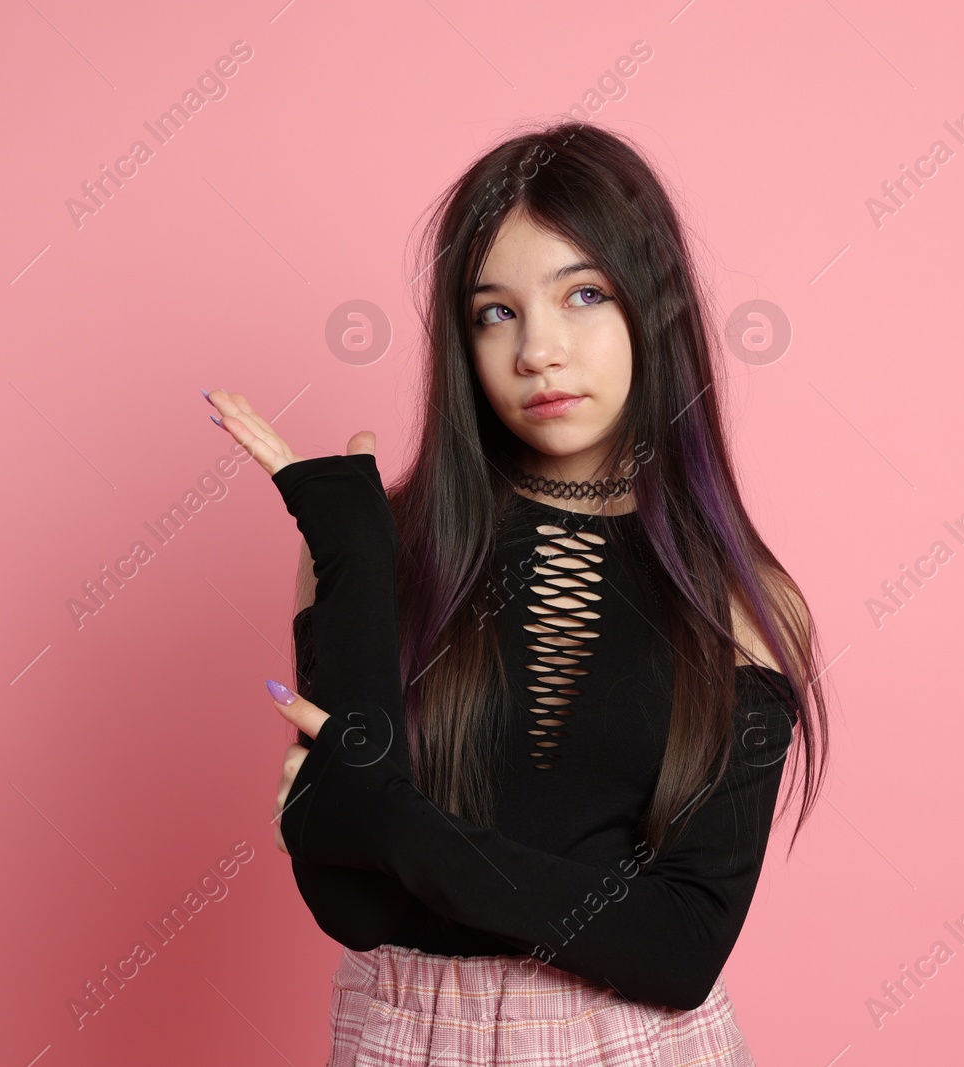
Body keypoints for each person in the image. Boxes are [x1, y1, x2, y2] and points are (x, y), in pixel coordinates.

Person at [206, 120, 832, 1066]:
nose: (539, 349)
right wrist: (355, 562)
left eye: (582, 294)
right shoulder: (380, 548)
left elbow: (678, 948)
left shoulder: (741, 600)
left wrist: (386, 816)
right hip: (399, 1037)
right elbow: (357, 904)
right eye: (494, 312)